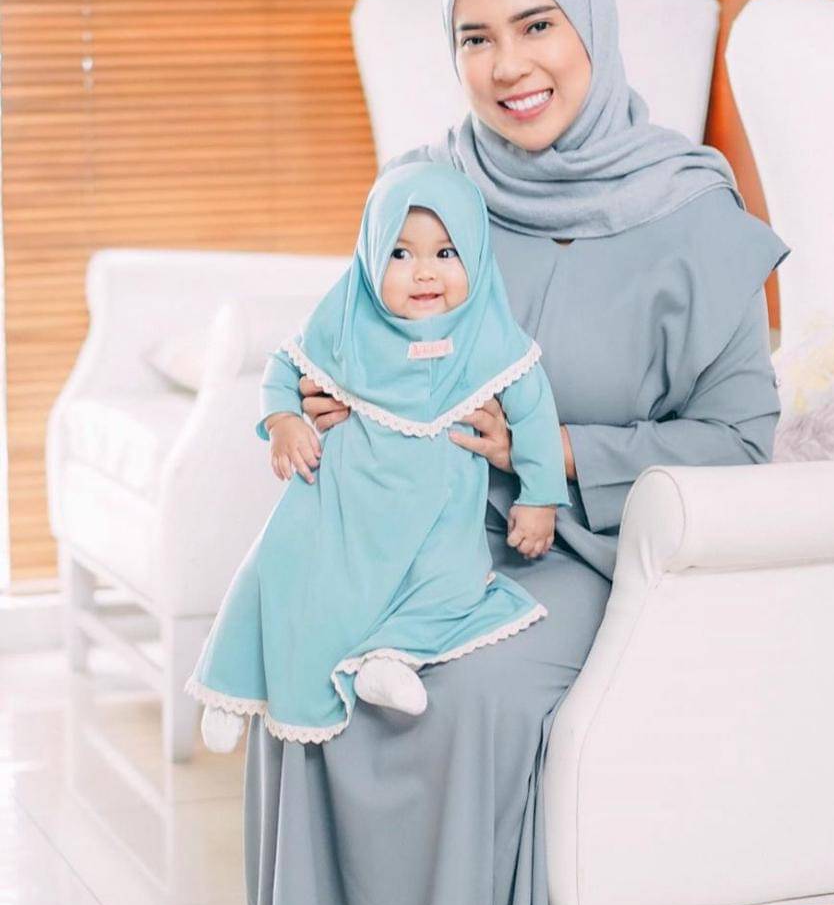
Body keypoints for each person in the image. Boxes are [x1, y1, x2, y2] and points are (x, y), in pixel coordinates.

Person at [243, 0, 790, 905]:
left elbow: (739, 444)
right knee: (302, 655)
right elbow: (357, 333)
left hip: (575, 551)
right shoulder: (425, 184)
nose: (507, 66)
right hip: (405, 529)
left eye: (536, 25)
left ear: (591, 26)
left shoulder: (690, 209)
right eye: (475, 38)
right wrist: (330, 397)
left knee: (455, 697)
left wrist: (556, 451)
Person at [186, 162, 569, 751]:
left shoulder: (490, 338)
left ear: (475, 255)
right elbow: (282, 367)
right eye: (399, 253)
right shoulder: (348, 321)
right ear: (369, 257)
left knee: (452, 585)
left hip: (439, 517)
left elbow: (535, 415)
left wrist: (539, 499)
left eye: (446, 253)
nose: (424, 272)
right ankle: (230, 686)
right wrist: (284, 420)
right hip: (343, 502)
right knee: (281, 562)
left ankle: (388, 660)